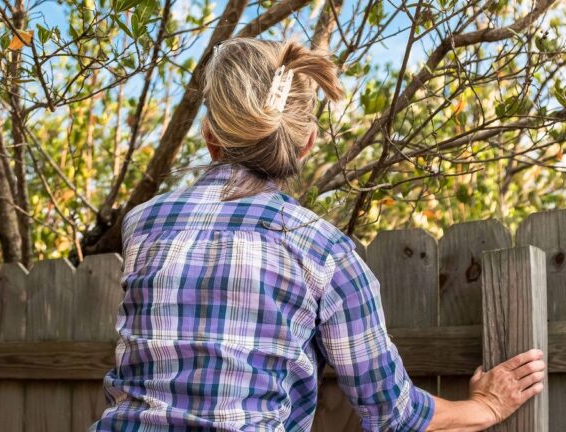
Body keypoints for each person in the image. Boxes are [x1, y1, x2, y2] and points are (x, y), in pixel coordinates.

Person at [90, 37, 546, 431]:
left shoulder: (145, 224)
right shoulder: (323, 251)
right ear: (306, 144)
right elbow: (393, 414)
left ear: (210, 136)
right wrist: (486, 406)